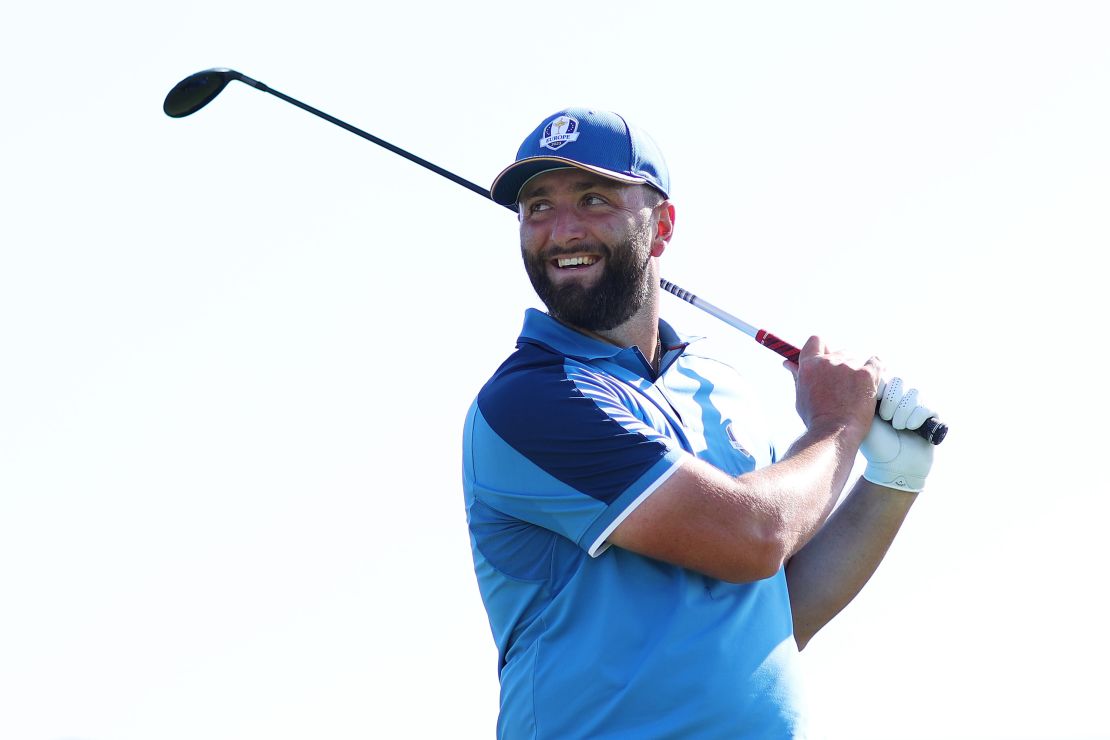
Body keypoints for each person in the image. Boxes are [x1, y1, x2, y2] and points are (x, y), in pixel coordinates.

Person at [461, 108, 938, 739]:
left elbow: (776, 609)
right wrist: (835, 425)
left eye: (594, 198)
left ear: (661, 226)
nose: (562, 230)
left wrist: (891, 479)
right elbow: (752, 537)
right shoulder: (532, 401)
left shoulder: (722, 390)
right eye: (537, 206)